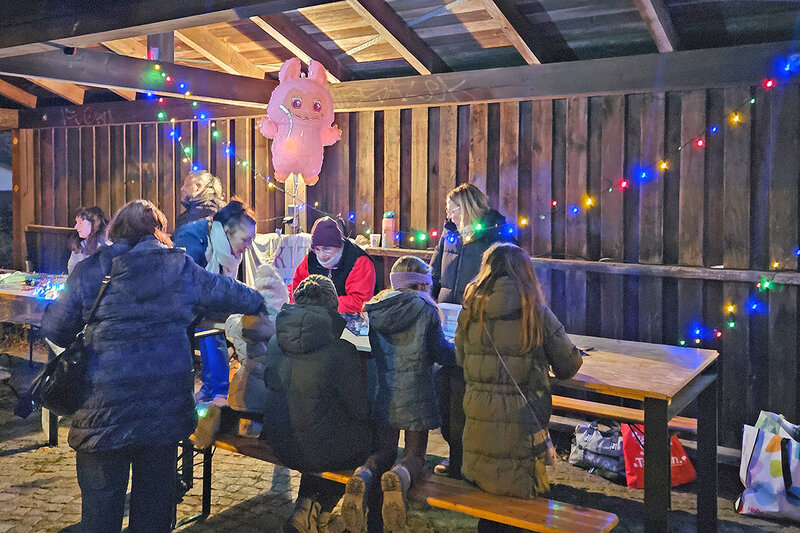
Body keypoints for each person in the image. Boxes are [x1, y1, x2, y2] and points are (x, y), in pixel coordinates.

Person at [40, 200, 265, 533]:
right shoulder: (180, 267)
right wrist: (262, 301)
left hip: (102, 412)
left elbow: (55, 328)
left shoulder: (91, 270)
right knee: (153, 516)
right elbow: (233, 294)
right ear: (159, 232)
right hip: (162, 414)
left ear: (116, 230)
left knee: (100, 518)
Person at [456, 243, 583, 532]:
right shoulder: (535, 312)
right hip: (522, 425)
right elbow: (568, 365)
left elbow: (461, 359)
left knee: (489, 500)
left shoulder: (471, 310)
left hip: (478, 423)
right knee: (518, 501)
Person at [342, 256, 455, 533]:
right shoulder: (426, 310)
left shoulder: (377, 308)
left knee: (384, 450)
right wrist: (458, 348)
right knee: (414, 455)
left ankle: (363, 475)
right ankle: (399, 478)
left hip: (384, 392)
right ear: (423, 284)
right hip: (417, 394)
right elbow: (441, 353)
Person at [258, 275, 372, 533]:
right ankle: (323, 508)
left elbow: (269, 384)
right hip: (319, 450)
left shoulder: (275, 341)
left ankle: (304, 508)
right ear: (332, 306)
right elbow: (359, 410)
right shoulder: (341, 349)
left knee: (317, 433)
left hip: (279, 442)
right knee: (366, 442)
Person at [429, 183, 515, 478]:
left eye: (452, 209)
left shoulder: (497, 237)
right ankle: (456, 455)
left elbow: (509, 281)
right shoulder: (449, 236)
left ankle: (466, 461)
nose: (448, 215)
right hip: (447, 323)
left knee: (466, 396)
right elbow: (434, 273)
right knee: (444, 389)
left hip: (480, 326)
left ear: (467, 207)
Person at [173, 198, 257, 406]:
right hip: (180, 304)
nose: (249, 246)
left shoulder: (221, 244)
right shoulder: (193, 240)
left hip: (200, 302)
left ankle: (213, 388)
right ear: (227, 232)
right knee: (211, 331)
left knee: (213, 330)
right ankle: (215, 392)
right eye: (246, 240)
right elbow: (189, 285)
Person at [291, 217, 375, 313]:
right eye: (317, 249)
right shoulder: (310, 259)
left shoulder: (359, 261)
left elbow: (359, 301)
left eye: (326, 249)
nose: (321, 255)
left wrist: (321, 305)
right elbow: (295, 288)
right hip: (314, 313)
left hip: (350, 317)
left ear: (338, 246)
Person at [67, 206, 111, 273]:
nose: (76, 227)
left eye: (80, 222)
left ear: (94, 223)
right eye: (76, 222)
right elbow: (72, 269)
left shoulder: (108, 244)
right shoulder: (79, 244)